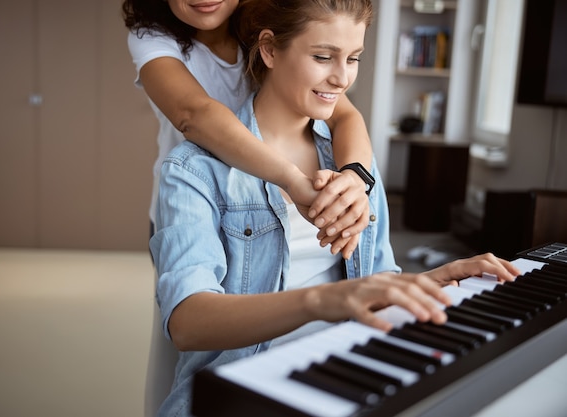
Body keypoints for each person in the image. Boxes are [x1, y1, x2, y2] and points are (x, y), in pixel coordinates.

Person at [150, 0, 521, 415]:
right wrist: (323, 299)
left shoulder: (354, 167)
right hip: (239, 397)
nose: (342, 77)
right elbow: (187, 322)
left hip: (344, 380)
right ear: (270, 50)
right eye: (323, 57)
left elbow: (371, 287)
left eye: (354, 59)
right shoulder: (194, 172)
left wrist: (432, 281)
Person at [122, 0, 376, 259]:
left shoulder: (265, 22)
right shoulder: (153, 38)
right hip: (192, 201)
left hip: (267, 198)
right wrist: (291, 180)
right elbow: (194, 114)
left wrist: (356, 178)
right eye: (322, 57)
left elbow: (345, 115)